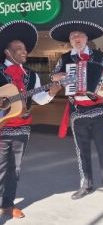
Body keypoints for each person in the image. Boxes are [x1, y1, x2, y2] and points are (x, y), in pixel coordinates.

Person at [49, 20, 103, 201]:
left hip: (97, 109)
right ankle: (86, 184)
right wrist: (61, 76)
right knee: (82, 150)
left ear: (86, 38)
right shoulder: (65, 59)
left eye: (80, 35)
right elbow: (53, 76)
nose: (76, 38)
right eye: (73, 36)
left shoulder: (99, 56)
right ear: (70, 41)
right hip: (77, 110)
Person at [0, 20, 61, 219]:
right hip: (2, 128)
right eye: (18, 48)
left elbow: (39, 99)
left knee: (14, 170)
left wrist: (51, 92)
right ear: (7, 52)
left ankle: (7, 205)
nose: (24, 51)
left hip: (22, 129)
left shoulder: (31, 76)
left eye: (25, 48)